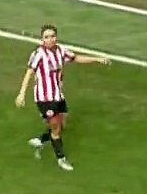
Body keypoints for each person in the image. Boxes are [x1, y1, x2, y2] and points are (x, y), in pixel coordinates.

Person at [14, 24, 110, 171]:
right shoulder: (38, 54)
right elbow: (29, 72)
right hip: (45, 98)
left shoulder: (60, 50)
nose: (50, 39)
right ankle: (61, 158)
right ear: (42, 39)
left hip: (58, 95)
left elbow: (76, 58)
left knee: (61, 124)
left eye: (52, 36)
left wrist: (96, 59)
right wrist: (21, 93)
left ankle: (42, 139)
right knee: (56, 128)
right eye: (47, 37)